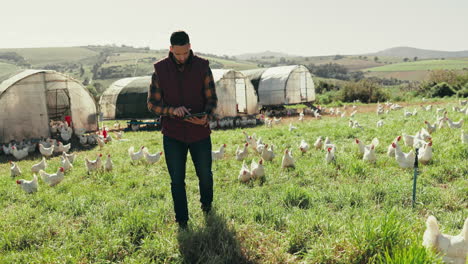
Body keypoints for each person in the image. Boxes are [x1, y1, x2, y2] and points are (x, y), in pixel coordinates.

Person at [147, 31, 218, 229]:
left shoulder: (203, 67)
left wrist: (207, 115)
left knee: (205, 174)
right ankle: (182, 221)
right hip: (173, 134)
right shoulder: (160, 70)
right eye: (178, 54)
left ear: (189, 47)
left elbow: (212, 98)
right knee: (177, 180)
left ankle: (207, 206)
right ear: (170, 49)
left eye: (185, 53)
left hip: (200, 132)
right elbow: (152, 104)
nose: (182, 58)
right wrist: (171, 110)